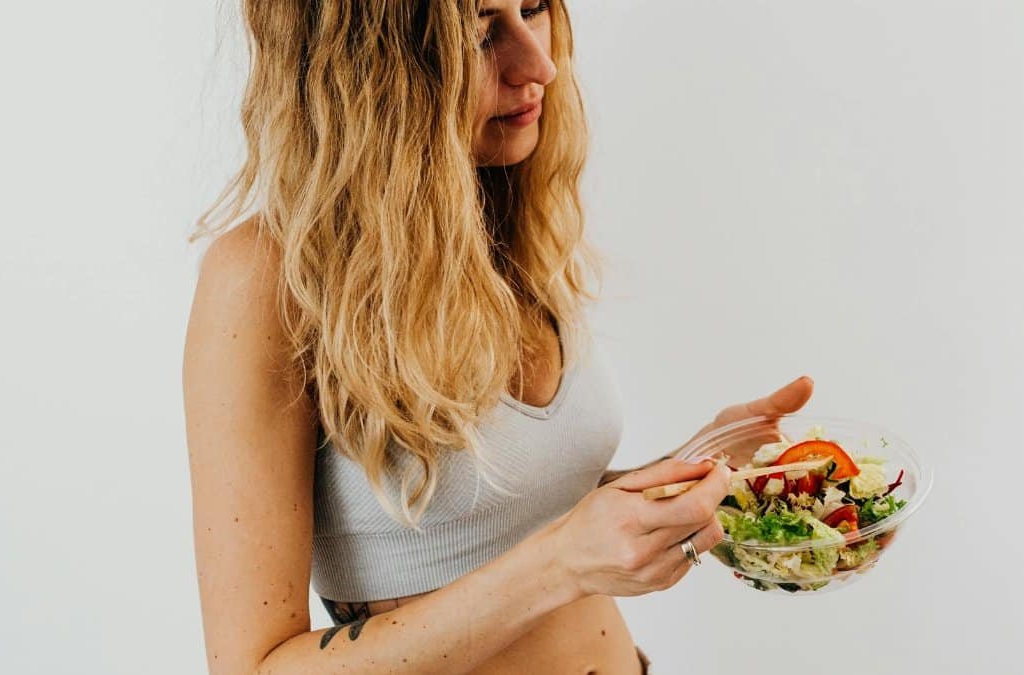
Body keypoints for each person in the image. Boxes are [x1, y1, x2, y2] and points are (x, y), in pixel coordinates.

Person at [182, 1, 815, 672]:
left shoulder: (505, 222)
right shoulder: (266, 278)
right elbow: (253, 666)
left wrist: (699, 469)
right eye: (480, 31)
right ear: (368, 68)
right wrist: (562, 564)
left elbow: (511, 516)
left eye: (534, 7)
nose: (539, 64)